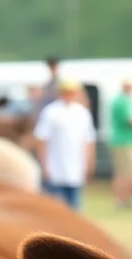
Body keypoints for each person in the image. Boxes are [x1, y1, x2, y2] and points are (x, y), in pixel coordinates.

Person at [33, 79, 97, 211]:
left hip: (76, 168)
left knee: (75, 209)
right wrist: (44, 165)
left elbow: (89, 141)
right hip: (55, 168)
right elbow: (41, 139)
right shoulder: (51, 111)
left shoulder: (82, 113)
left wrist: (89, 163)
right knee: (54, 208)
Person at [108, 78, 132, 210]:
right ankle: (120, 200)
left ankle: (125, 199)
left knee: (130, 172)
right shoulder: (123, 101)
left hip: (130, 141)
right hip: (124, 141)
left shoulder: (127, 101)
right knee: (126, 173)